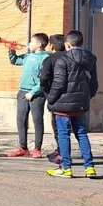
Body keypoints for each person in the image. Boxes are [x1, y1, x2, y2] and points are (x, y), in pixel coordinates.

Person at [46, 30, 99, 179]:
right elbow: (94, 83)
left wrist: (51, 99)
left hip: (62, 103)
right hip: (81, 104)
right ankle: (89, 168)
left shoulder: (63, 60)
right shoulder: (91, 59)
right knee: (81, 134)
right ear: (81, 43)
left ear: (67, 45)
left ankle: (66, 168)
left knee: (63, 135)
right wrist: (88, 97)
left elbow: (58, 83)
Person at [7, 33, 50, 159]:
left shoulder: (46, 58)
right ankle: (23, 148)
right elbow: (15, 61)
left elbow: (44, 79)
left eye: (32, 42)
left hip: (37, 94)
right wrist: (11, 50)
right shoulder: (28, 56)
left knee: (37, 120)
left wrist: (33, 92)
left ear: (39, 44)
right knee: (21, 119)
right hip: (22, 91)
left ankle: (37, 148)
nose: (29, 44)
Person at [39, 34, 67, 163]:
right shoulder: (71, 58)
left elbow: (44, 78)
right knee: (78, 130)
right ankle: (84, 156)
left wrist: (48, 94)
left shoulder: (49, 60)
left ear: (51, 46)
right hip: (75, 98)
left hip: (56, 98)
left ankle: (62, 153)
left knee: (58, 127)